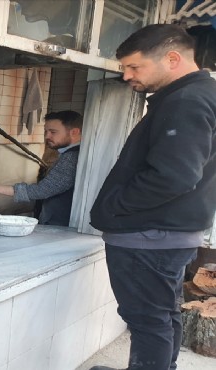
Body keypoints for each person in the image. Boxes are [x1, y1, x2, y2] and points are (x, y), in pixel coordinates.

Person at [89, 24, 216, 370]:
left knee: (147, 321)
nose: (127, 76)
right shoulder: (199, 94)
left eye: (134, 67)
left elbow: (173, 176)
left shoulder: (186, 101)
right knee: (162, 315)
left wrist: (113, 208)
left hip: (150, 237)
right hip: (167, 234)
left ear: (172, 58)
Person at [0, 110, 83, 226]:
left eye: (53, 132)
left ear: (74, 132)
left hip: (60, 225)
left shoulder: (71, 158)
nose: (47, 136)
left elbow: (42, 190)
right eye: (46, 131)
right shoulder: (70, 153)